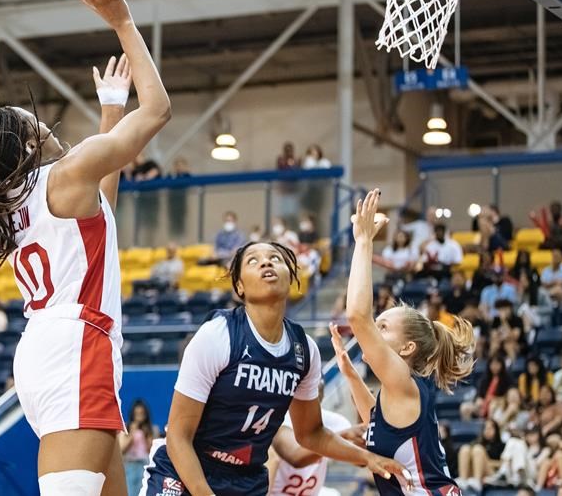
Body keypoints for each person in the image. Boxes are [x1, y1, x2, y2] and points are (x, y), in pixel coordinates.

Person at [0, 0, 170, 496]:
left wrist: (111, 110)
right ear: (26, 141)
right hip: (76, 343)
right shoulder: (66, 173)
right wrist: (122, 21)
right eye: (35, 121)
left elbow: (103, 214)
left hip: (47, 347)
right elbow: (158, 110)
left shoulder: (14, 200)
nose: (46, 125)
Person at [140, 241, 408, 496]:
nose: (266, 262)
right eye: (253, 261)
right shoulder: (217, 335)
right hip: (186, 468)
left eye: (275, 259)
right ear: (240, 287)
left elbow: (311, 434)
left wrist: (367, 457)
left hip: (245, 479)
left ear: (291, 277)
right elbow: (178, 435)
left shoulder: (304, 350)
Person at [340, 189, 474, 495]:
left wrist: (364, 242)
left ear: (407, 348)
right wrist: (349, 374)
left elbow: (358, 317)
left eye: (383, 327)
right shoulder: (400, 392)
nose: (374, 331)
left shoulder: (404, 381)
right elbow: (375, 422)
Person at [266, 397, 351, 496]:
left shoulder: (332, 421)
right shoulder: (281, 421)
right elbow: (294, 457)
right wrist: (340, 437)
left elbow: (361, 461)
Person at [119, 400, 158, 496]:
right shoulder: (126, 428)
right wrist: (132, 433)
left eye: (142, 414)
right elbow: (122, 449)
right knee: (130, 491)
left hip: (145, 465)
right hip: (130, 465)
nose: (139, 417)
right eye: (137, 414)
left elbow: (154, 451)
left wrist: (147, 435)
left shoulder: (152, 429)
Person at [457, 419, 505, 492]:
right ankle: (462, 479)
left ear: (496, 430)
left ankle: (477, 481)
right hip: (473, 471)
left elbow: (503, 464)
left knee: (478, 449)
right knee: (465, 448)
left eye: (490, 428)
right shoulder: (477, 442)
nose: (487, 431)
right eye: (485, 428)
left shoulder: (501, 445)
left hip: (491, 473)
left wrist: (484, 461)